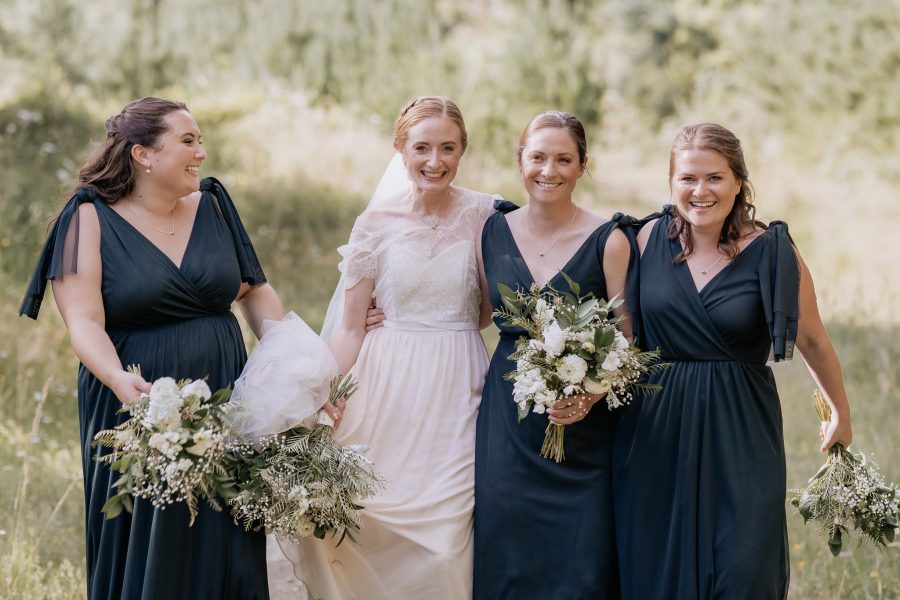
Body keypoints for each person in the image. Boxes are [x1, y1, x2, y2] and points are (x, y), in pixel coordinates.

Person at [19, 97, 285, 599]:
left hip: (226, 395)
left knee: (226, 538)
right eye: (188, 141)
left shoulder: (213, 205)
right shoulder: (89, 219)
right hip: (135, 400)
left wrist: (300, 366)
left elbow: (254, 292)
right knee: (150, 536)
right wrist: (120, 380)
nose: (200, 153)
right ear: (143, 153)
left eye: (200, 140)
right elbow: (84, 321)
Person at [612, 122, 853, 599]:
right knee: (657, 568)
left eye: (715, 178)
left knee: (742, 566)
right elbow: (621, 340)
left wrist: (841, 412)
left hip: (740, 430)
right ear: (671, 182)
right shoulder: (640, 242)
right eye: (687, 179)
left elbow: (814, 339)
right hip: (655, 432)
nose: (700, 191)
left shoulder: (773, 252)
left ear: (739, 181)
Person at [279, 96, 497, 600]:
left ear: (463, 150)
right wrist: (321, 388)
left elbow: (486, 311)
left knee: (447, 536)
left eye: (448, 148)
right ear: (400, 149)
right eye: (421, 147)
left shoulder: (486, 215)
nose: (434, 161)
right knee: (360, 517)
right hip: (385, 383)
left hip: (457, 384)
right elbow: (351, 328)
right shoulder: (373, 223)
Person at [473, 111, 633, 598]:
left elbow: (629, 341)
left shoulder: (611, 240)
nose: (550, 170)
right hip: (508, 424)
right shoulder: (491, 232)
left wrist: (592, 393)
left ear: (583, 165)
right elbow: (478, 312)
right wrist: (383, 314)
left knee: (583, 565)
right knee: (508, 556)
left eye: (564, 159)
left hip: (585, 429)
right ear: (520, 160)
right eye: (538, 157)